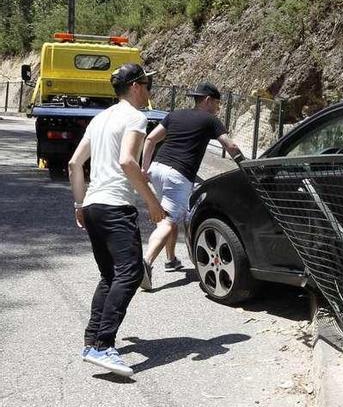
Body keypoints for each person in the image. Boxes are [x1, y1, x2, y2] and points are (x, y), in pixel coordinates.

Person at [69, 63, 165, 377]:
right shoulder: (135, 117)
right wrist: (152, 202)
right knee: (131, 271)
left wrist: (80, 204)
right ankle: (103, 345)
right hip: (114, 206)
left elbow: (74, 164)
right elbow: (127, 161)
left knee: (110, 275)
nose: (149, 91)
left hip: (94, 204)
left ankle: (91, 341)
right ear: (136, 86)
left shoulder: (99, 119)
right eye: (147, 85)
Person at [140, 82, 244, 289]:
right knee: (168, 220)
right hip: (178, 174)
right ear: (207, 100)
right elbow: (230, 145)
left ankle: (170, 259)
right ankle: (145, 263)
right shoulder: (210, 120)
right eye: (217, 103)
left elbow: (150, 139)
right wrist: (246, 166)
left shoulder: (175, 114)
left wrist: (144, 169)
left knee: (169, 214)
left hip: (158, 168)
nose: (218, 107)